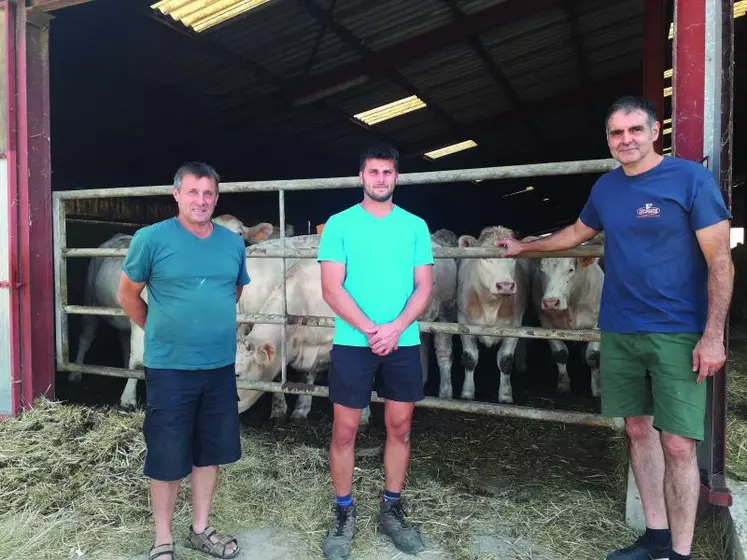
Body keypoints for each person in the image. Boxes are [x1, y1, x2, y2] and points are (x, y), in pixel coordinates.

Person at [501, 96, 733, 560]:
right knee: (637, 430)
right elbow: (574, 235)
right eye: (616, 133)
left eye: (634, 130)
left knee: (679, 443)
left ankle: (681, 554)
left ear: (654, 132)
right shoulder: (606, 188)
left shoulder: (690, 180)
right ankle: (655, 537)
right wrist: (525, 248)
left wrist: (714, 334)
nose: (625, 139)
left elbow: (721, 260)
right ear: (608, 139)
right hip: (620, 328)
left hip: (677, 330)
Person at [117, 162, 250, 560]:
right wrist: (159, 331)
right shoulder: (151, 239)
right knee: (167, 454)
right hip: (170, 368)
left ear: (216, 198)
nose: (201, 201)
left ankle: (200, 528)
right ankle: (162, 539)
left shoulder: (232, 244)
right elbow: (127, 296)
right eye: (193, 192)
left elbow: (235, 293)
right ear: (176, 194)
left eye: (208, 194)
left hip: (218, 367)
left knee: (210, 452)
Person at [317, 143, 434, 559]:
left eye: (387, 172)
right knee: (345, 430)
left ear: (396, 177)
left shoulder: (415, 226)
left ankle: (392, 507)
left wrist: (396, 328)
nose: (380, 179)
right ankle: (344, 513)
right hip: (354, 342)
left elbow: (424, 286)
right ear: (361, 177)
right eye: (373, 172)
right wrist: (371, 330)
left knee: (400, 426)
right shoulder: (339, 224)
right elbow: (332, 288)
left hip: (402, 341)